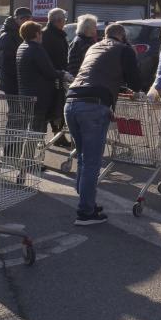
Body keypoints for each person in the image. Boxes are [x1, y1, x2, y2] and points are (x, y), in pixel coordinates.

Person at [65, 23, 143, 225]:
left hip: (71, 102)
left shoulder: (94, 47)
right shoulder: (123, 49)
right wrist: (139, 92)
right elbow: (134, 81)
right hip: (93, 106)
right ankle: (85, 213)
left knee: (83, 158)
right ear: (122, 36)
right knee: (91, 161)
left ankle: (86, 202)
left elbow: (96, 71)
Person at [16, 21, 62, 133]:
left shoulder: (22, 47)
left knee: (32, 128)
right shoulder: (36, 49)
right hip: (39, 96)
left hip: (26, 94)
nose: (42, 35)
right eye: (41, 33)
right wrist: (63, 74)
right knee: (36, 130)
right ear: (36, 34)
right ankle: (31, 150)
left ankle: (32, 149)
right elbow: (49, 71)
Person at [41, 8, 71, 147]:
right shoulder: (47, 35)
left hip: (58, 76)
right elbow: (48, 59)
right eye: (64, 19)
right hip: (51, 78)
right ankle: (48, 138)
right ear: (58, 21)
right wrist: (59, 73)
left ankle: (58, 136)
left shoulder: (57, 34)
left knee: (58, 108)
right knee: (50, 109)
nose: (65, 22)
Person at [0, 7, 33, 94]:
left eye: (28, 18)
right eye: (22, 18)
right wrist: (22, 76)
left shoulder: (26, 33)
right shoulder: (7, 36)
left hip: (22, 82)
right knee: (15, 107)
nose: (25, 21)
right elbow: (6, 63)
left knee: (25, 107)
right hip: (12, 83)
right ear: (15, 19)